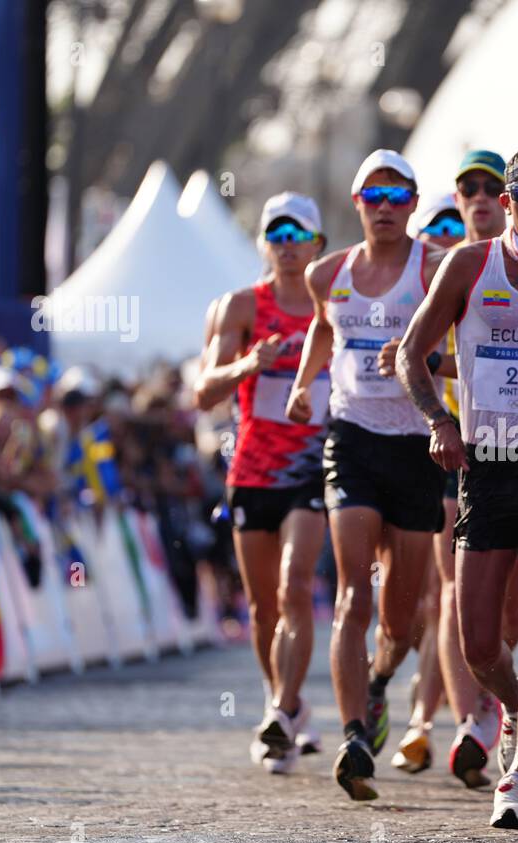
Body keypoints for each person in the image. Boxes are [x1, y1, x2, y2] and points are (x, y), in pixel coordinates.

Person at [398, 143, 518, 829]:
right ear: (507, 201)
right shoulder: (468, 265)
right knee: (478, 640)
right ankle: (515, 704)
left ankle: (517, 780)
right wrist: (439, 421)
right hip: (488, 465)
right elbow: (410, 353)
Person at [288, 149, 446, 800]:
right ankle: (354, 734)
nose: (384, 208)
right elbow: (323, 336)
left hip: (416, 446)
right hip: (350, 439)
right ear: (356, 205)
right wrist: (303, 383)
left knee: (402, 622)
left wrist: (423, 357)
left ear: (413, 204)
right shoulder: (327, 275)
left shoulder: (437, 270)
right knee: (353, 593)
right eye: (372, 197)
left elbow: (469, 345)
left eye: (397, 197)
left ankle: (379, 684)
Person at [381, 149, 509, 788]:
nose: (480, 198)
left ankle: (496, 711)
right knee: (452, 592)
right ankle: (467, 724)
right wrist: (427, 383)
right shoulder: (446, 268)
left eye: (493, 187)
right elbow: (414, 351)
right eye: (469, 189)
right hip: (455, 452)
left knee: (515, 600)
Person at [194, 191, 329, 773]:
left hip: (311, 468)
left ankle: (277, 711)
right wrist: (250, 363)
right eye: (276, 234)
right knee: (261, 608)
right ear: (263, 244)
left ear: (317, 244)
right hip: (251, 469)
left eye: (298, 234)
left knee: (295, 587)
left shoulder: (335, 302)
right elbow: (203, 392)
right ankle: (290, 706)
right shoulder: (242, 307)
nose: (287, 245)